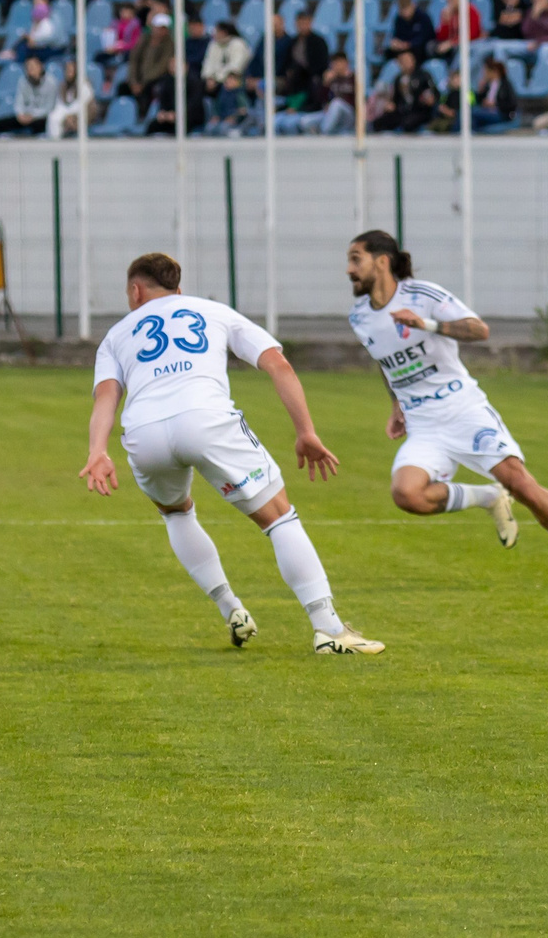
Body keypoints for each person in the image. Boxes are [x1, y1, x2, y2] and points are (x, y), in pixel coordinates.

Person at [79, 251, 382, 655]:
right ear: (178, 288)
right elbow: (279, 366)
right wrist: (305, 431)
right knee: (278, 518)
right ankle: (328, 630)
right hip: (206, 420)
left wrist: (97, 451)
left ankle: (230, 608)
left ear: (135, 291)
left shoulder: (115, 335)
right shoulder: (213, 311)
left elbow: (106, 397)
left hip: (144, 431)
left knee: (176, 513)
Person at [344, 231, 548, 586]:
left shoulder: (423, 296)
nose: (349, 269)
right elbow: (384, 360)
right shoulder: (359, 316)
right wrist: (395, 404)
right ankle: (486, 497)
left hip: (462, 411)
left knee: (520, 484)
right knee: (406, 494)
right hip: (423, 424)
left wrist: (427, 324)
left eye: (355, 259)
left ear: (382, 261)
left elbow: (479, 330)